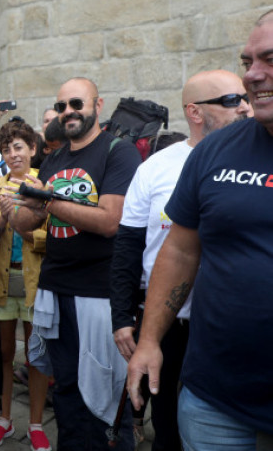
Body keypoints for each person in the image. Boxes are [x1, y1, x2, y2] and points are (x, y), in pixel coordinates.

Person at [127, 10, 273, 449]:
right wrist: (149, 339)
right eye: (248, 61)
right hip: (214, 401)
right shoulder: (217, 150)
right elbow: (180, 251)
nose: (253, 75)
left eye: (270, 59)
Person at [111, 69, 251, 449]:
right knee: (168, 425)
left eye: (244, 97)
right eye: (230, 100)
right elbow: (128, 245)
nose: (244, 106)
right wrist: (123, 318)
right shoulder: (156, 167)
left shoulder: (256, 158)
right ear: (194, 111)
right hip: (167, 322)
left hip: (224, 325)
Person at [10, 77, 142, 450]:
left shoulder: (119, 151)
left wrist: (48, 201)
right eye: (63, 105)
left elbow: (109, 221)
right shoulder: (53, 158)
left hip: (100, 295)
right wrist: (20, 206)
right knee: (65, 392)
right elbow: (24, 223)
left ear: (98, 106)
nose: (69, 111)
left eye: (77, 104)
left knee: (103, 396)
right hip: (56, 292)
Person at [0, 120, 51, 450]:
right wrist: (3, 219)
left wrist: (25, 230)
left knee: (36, 356)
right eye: (6, 149)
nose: (13, 154)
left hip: (36, 281)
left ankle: (36, 424)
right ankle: (3, 418)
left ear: (33, 149)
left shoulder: (46, 187)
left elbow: (53, 240)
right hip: (3, 280)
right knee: (3, 353)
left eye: (19, 147)